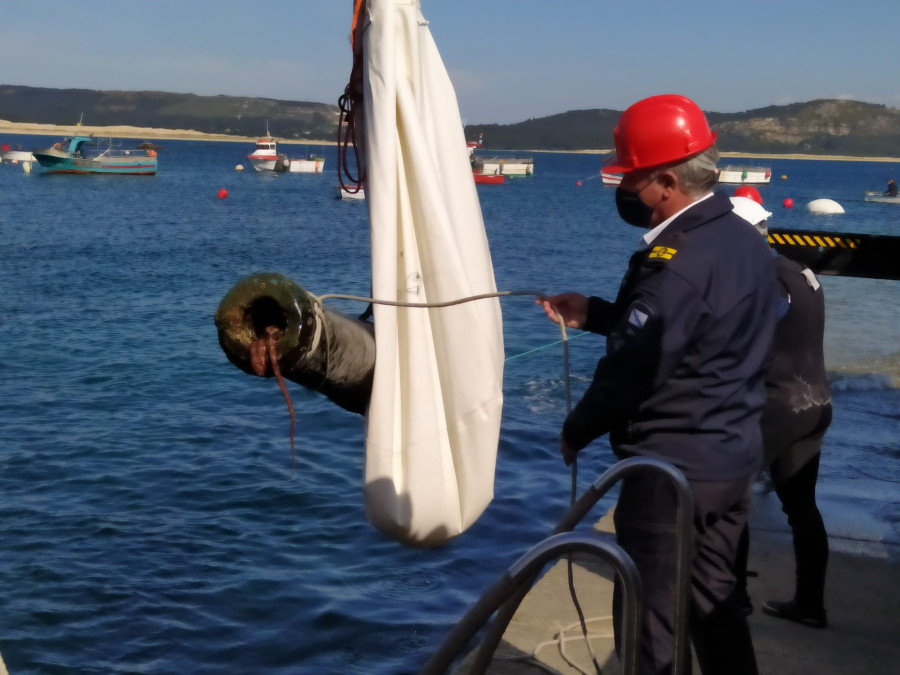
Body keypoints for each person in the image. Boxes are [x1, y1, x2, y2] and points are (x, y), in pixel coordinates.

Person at [539, 95, 776, 674]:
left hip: (672, 469)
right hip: (731, 455)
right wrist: (595, 313)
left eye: (632, 178)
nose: (624, 190)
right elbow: (694, 332)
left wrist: (578, 427)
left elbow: (636, 364)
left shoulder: (678, 261)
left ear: (667, 182)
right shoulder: (741, 238)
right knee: (713, 604)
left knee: (650, 621)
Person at [729, 195, 832, 630]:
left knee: (730, 497)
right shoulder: (797, 270)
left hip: (778, 404)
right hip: (815, 401)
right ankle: (810, 605)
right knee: (801, 506)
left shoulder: (762, 278)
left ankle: (733, 598)